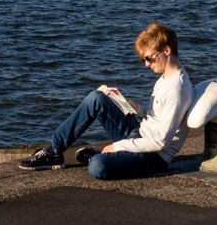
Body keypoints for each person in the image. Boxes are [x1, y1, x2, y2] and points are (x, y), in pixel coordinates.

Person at [18, 22, 193, 179]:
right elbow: (154, 116)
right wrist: (137, 108)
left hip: (153, 155)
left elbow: (160, 141)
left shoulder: (177, 89)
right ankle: (54, 151)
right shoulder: (165, 78)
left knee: (97, 167)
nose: (147, 64)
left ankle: (100, 156)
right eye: (143, 60)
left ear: (167, 50)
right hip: (139, 133)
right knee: (97, 98)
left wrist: (117, 147)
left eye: (149, 58)